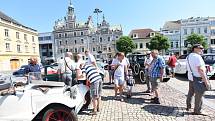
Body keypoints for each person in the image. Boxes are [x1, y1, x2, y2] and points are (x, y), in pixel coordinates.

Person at [186, 44, 210, 115]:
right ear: (195, 48)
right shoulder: (197, 57)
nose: (203, 49)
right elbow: (200, 70)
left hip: (191, 78)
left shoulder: (188, 56)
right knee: (199, 95)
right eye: (201, 48)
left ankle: (188, 105)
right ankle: (197, 110)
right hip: (198, 78)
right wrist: (206, 82)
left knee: (190, 93)